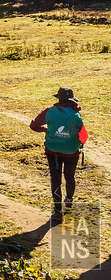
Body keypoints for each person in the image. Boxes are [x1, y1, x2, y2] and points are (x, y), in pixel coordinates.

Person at [30, 87, 89, 224]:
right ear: (71, 100)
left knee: (55, 178)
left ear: (58, 98)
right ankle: (68, 201)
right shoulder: (75, 114)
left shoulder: (49, 112)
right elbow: (84, 135)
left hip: (53, 151)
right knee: (69, 176)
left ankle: (57, 211)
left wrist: (45, 130)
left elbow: (33, 125)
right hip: (71, 152)